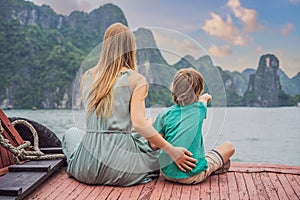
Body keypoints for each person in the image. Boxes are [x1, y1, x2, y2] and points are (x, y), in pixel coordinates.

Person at [61, 23, 196, 186]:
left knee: (71, 133)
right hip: (121, 169)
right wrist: (172, 151)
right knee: (150, 144)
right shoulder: (136, 80)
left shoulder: (87, 76)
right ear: (130, 47)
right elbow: (139, 124)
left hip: (85, 169)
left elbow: (107, 120)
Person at [151, 68, 235, 184]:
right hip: (192, 177)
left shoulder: (164, 114)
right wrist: (204, 96)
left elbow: (154, 145)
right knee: (229, 147)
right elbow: (205, 99)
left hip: (166, 173)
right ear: (199, 91)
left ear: (173, 89)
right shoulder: (200, 109)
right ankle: (214, 167)